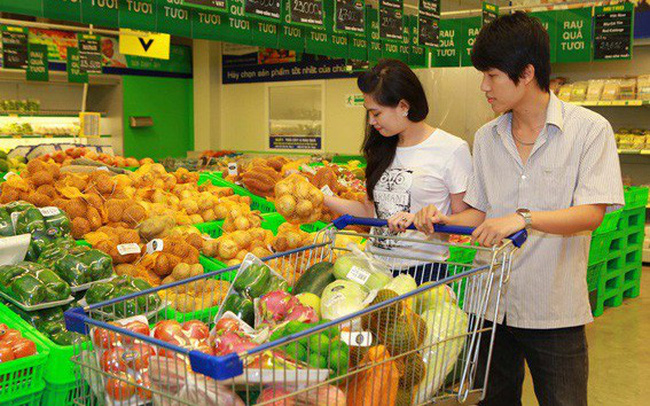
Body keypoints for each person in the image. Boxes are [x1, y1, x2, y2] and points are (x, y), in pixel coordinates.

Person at [412, 12, 624, 406]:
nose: (483, 86)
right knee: (494, 399)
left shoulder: (589, 130)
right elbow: (479, 214)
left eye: (492, 76)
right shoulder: (486, 137)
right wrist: (443, 221)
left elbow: (591, 213)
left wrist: (524, 219)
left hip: (554, 309)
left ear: (526, 73)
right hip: (489, 305)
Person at [324, 59, 472, 283]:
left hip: (423, 272)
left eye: (376, 113)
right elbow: (371, 212)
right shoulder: (381, 148)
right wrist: (321, 198)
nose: (371, 121)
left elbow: (468, 219)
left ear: (403, 106)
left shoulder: (451, 149)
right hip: (375, 269)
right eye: (368, 114)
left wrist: (432, 220)